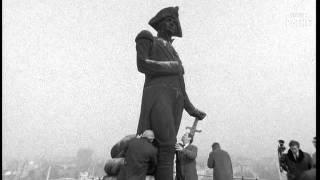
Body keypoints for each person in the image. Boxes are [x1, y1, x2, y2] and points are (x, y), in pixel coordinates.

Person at [135, 6, 206, 180]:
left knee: (165, 149)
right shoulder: (148, 38)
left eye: (175, 22)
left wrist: (191, 109)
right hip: (158, 96)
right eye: (169, 20)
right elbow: (143, 64)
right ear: (158, 23)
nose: (172, 24)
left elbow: (182, 86)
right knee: (167, 144)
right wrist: (172, 67)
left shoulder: (175, 54)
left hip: (176, 102)